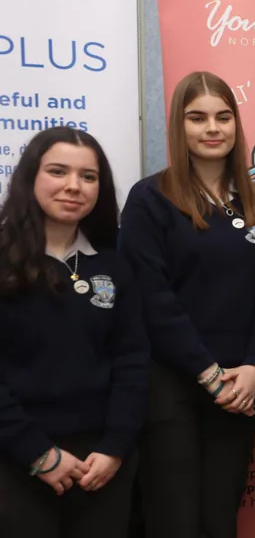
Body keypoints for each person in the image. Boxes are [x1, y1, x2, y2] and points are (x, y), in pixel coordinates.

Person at [119, 71, 255, 538]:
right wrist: (208, 374)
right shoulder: (150, 200)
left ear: (236, 125)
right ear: (179, 126)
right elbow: (153, 299)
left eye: (223, 117)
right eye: (198, 118)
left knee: (219, 518)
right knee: (174, 520)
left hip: (239, 391)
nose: (212, 128)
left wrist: (254, 367)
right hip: (172, 386)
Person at [0, 127, 149, 537]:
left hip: (100, 462)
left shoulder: (113, 266)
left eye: (88, 176)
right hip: (16, 458)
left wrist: (115, 447)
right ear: (31, 177)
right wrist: (39, 455)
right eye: (58, 171)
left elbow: (132, 361)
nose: (73, 186)